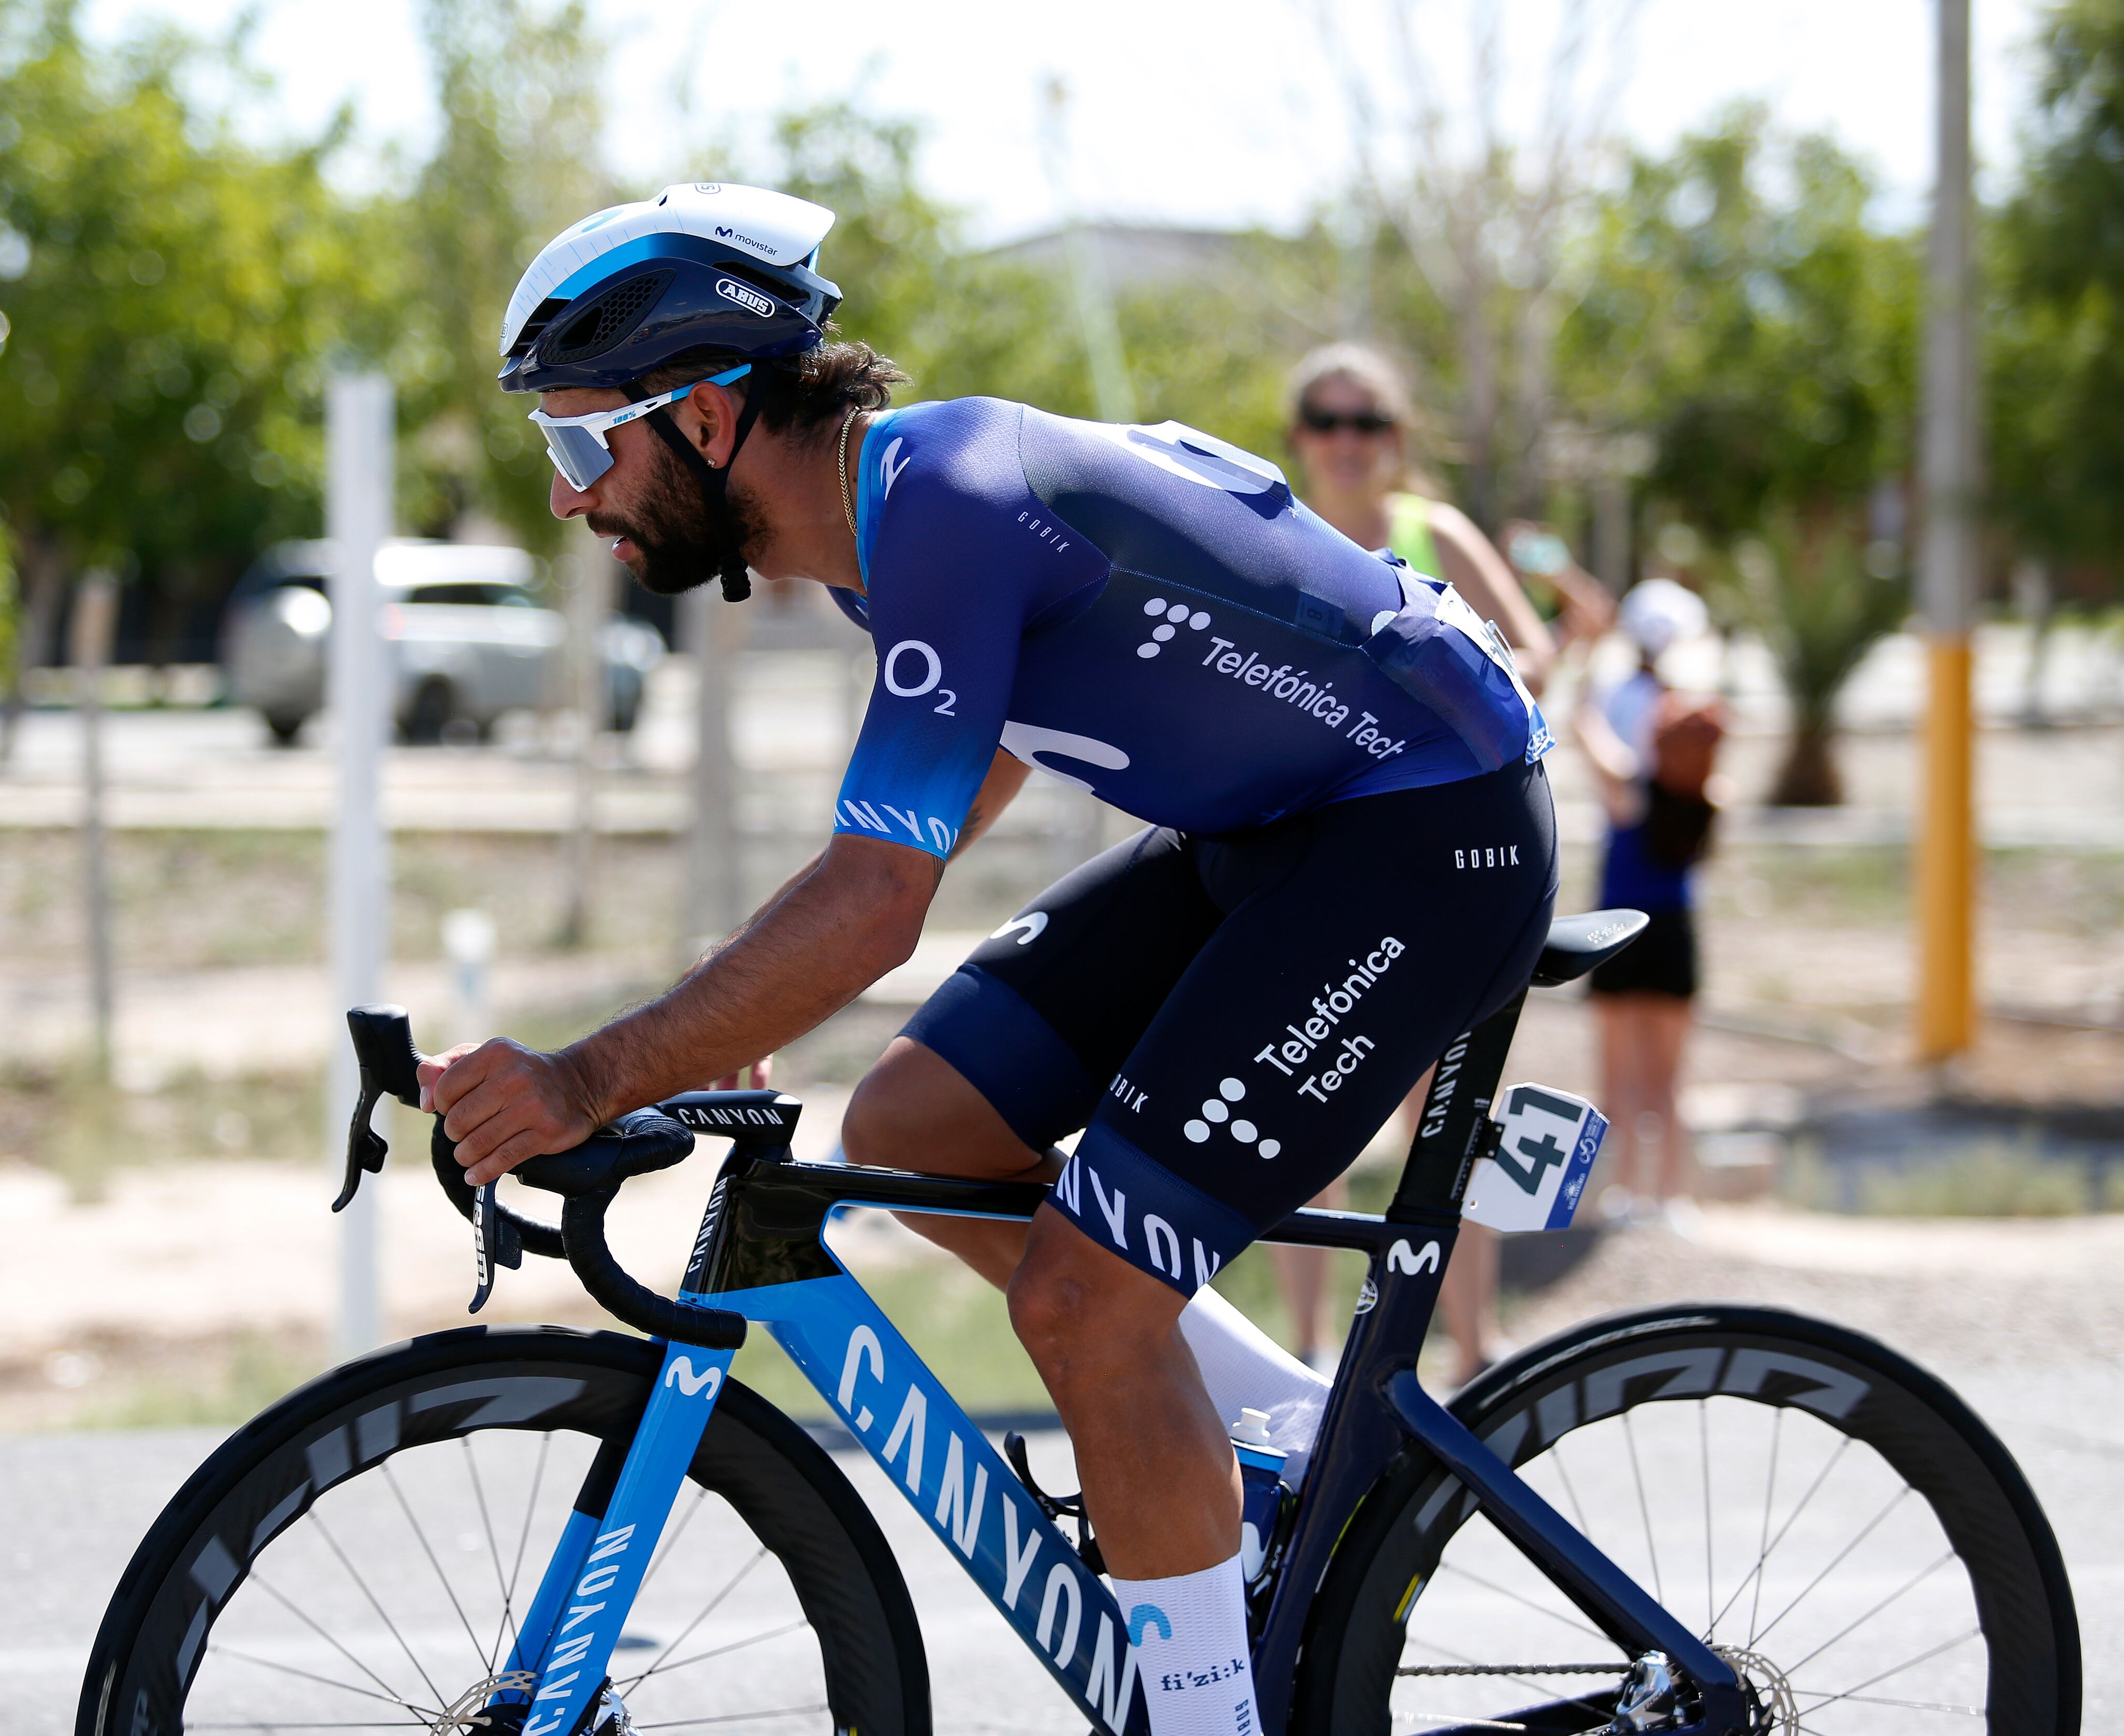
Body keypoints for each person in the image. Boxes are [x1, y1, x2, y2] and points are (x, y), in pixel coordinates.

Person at [421, 184, 1559, 1736]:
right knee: (911, 1134)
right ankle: (1282, 1433)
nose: (566, 496)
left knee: (1089, 1308)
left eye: (578, 444)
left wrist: (594, 1069)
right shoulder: (866, 538)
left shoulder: (948, 502)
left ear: (698, 419)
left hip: (1425, 836)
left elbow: (876, 897)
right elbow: (951, 798)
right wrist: (752, 997)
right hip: (1281, 828)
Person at [1270, 344, 1559, 1382]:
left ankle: (1473, 1346)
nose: (1346, 441)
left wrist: (1435, 656)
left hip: (1444, 854)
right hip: (1311, 853)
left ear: (1395, 440)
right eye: (1326, 419)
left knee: (1448, 1118)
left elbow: (1535, 652)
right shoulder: (1273, 531)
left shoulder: (1430, 534)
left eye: (1368, 422)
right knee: (1300, 1114)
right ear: (1300, 435)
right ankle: (1304, 1355)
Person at [1570, 577, 1725, 1223]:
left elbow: (1582, 729)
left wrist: (1584, 656)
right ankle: (1672, 1196)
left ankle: (1621, 1191)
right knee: (1669, 1079)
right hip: (1676, 927)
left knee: (1618, 1074)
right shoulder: (1708, 800)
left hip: (1618, 926)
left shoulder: (1627, 789)